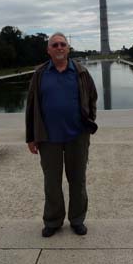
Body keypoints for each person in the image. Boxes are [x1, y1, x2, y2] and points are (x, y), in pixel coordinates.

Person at [25, 32, 98, 238]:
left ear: (68, 48)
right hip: (48, 138)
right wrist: (31, 137)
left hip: (77, 136)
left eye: (62, 44)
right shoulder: (40, 74)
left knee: (78, 180)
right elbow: (31, 107)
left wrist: (89, 120)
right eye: (54, 45)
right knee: (51, 182)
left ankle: (77, 219)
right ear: (48, 50)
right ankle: (53, 220)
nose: (59, 48)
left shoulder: (81, 72)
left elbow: (92, 97)